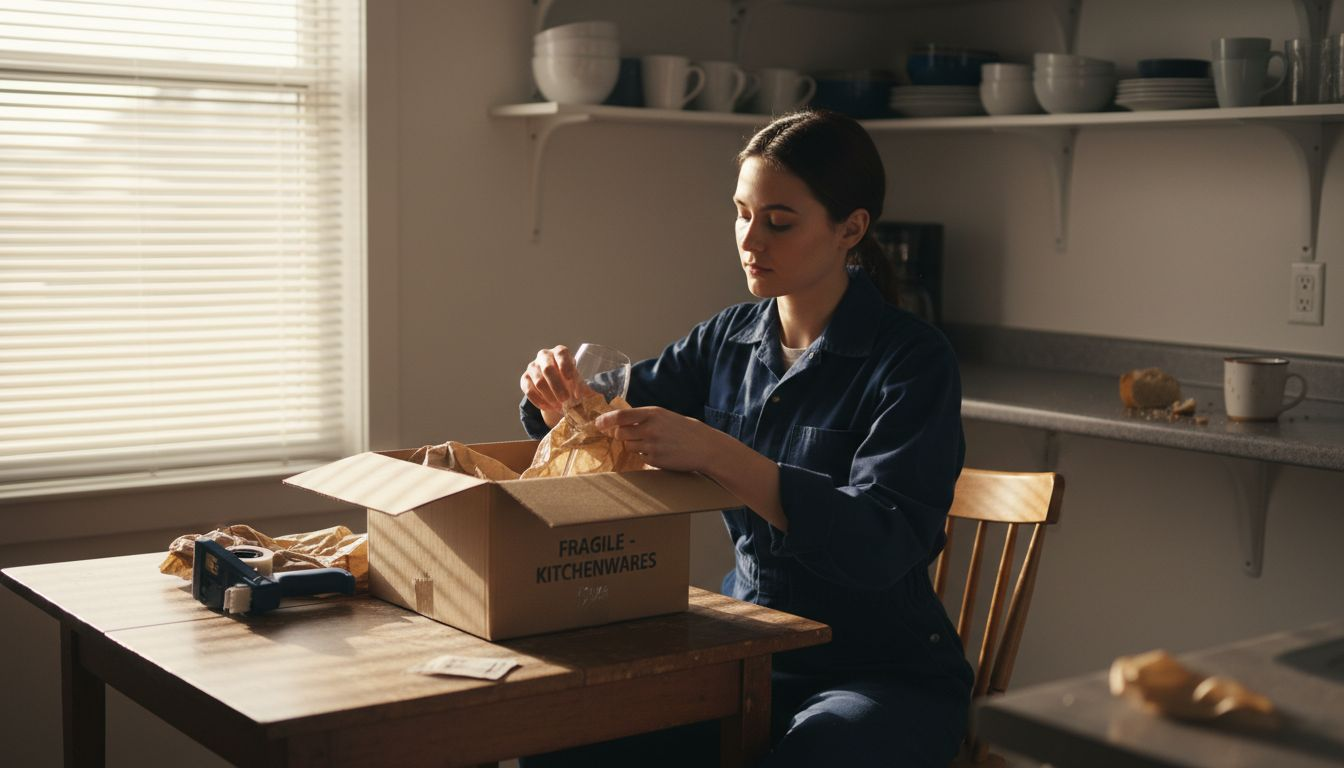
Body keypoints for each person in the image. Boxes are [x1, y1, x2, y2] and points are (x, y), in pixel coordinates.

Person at [517, 109, 973, 767]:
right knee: (563, 738)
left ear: (850, 229)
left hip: (879, 673)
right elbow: (602, 408)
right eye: (741, 214)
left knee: (815, 754)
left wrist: (717, 453)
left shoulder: (913, 360)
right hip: (745, 649)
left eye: (778, 222)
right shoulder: (726, 338)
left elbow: (881, 544)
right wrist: (556, 396)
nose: (750, 240)